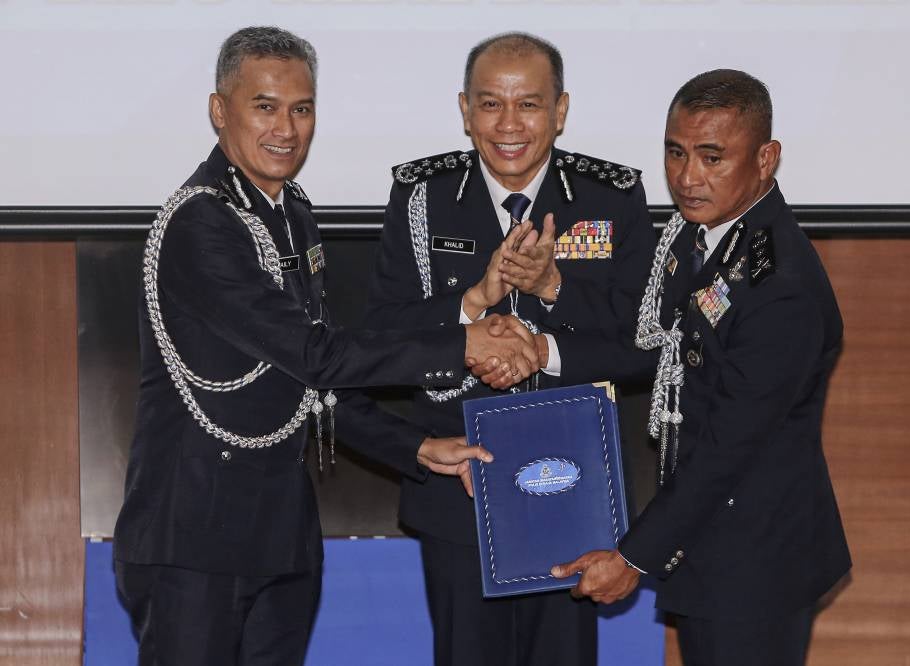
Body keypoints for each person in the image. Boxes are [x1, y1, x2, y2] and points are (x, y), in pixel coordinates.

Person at [112, 26, 538, 666]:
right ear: (218, 110)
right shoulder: (202, 222)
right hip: (193, 538)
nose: (286, 128)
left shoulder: (293, 210)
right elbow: (316, 354)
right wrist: (462, 344)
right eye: (265, 106)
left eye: (301, 109)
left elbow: (314, 383)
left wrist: (418, 445)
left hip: (280, 532)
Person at [363, 32, 656, 666]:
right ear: (465, 111)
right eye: (490, 104)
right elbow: (383, 336)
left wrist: (550, 308)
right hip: (458, 485)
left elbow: (645, 345)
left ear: (561, 110)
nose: (509, 125)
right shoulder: (421, 196)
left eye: (529, 105)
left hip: (572, 488)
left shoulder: (612, 196)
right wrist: (469, 307)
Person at [552, 69, 852, 666]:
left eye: (712, 157)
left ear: (766, 159)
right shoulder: (706, 236)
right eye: (676, 152)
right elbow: (654, 345)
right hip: (713, 544)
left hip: (754, 562)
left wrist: (633, 557)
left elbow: (727, 450)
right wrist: (545, 350)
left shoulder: (777, 287)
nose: (688, 177)